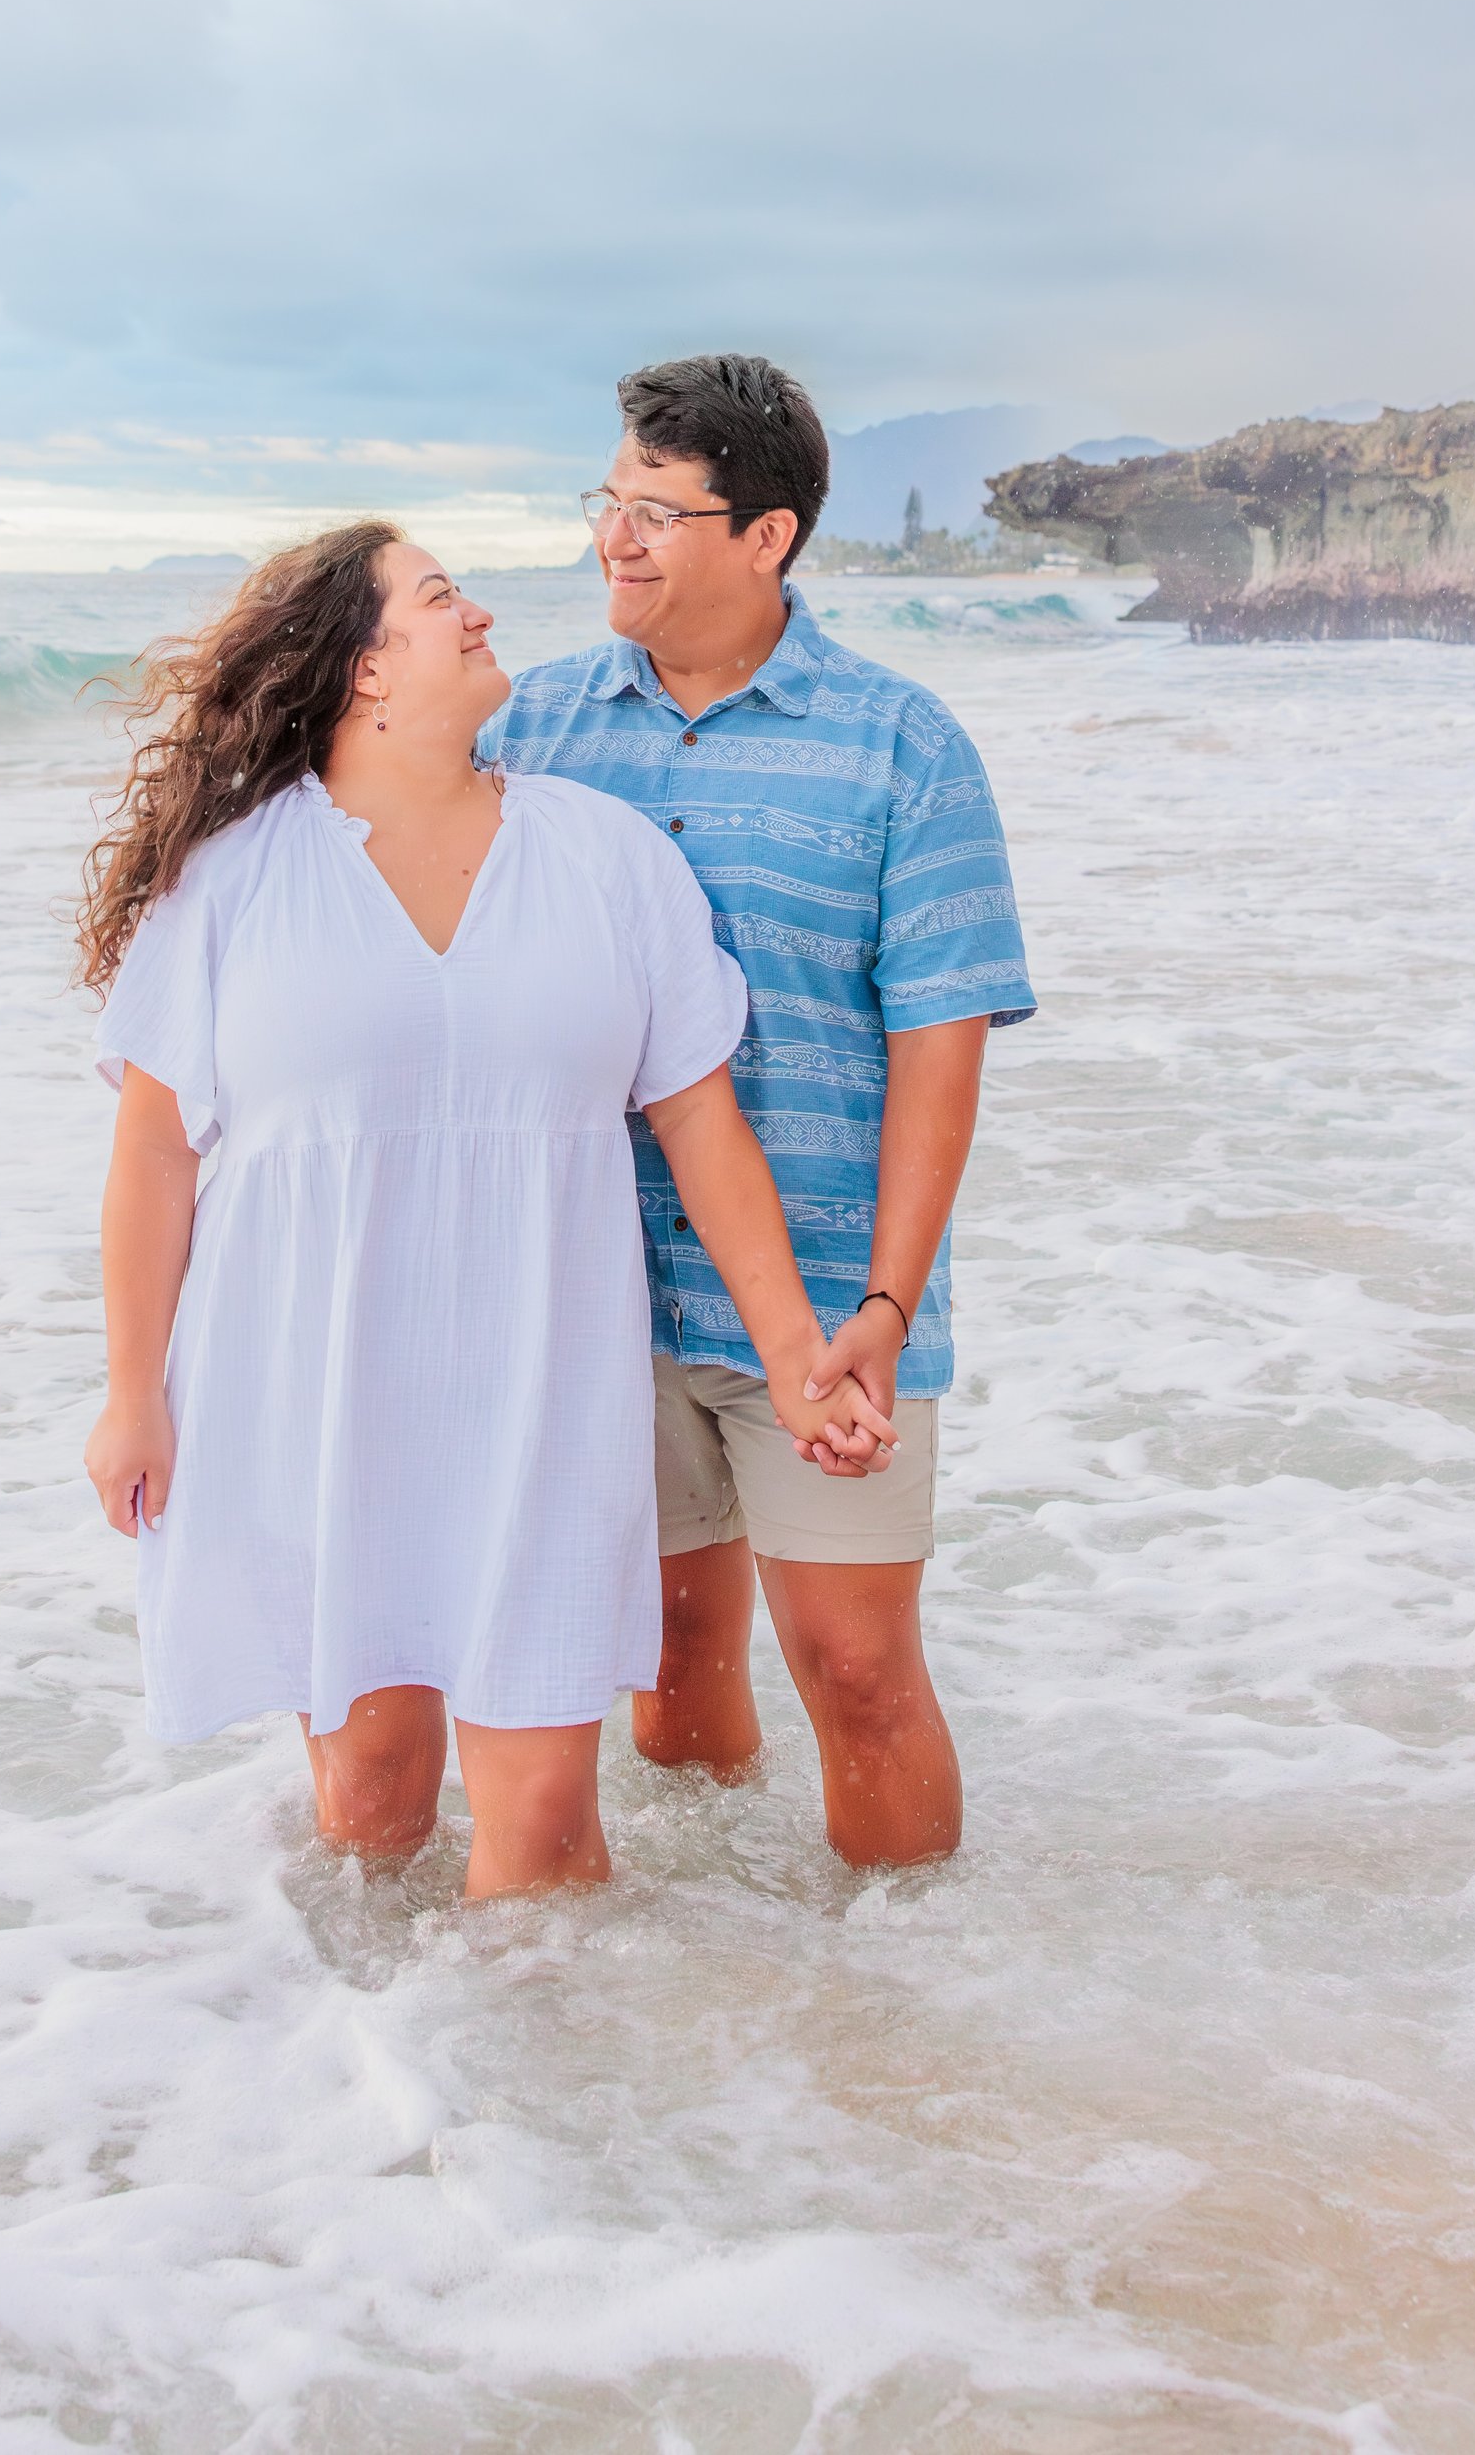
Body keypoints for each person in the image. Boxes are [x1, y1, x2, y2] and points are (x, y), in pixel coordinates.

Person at [74, 521, 895, 1900]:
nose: (480, 615)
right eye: (440, 597)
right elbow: (154, 1151)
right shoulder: (231, 879)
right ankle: (382, 2082)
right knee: (373, 1797)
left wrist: (797, 1358)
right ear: (363, 668)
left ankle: (549, 2102)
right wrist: (130, 1392)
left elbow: (700, 1124)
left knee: (549, 1827)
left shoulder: (607, 855)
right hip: (317, 1391)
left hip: (541, 1392)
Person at [480, 357, 1036, 1869]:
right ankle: (730, 2018)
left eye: (658, 513)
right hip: (601, 1292)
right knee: (666, 1676)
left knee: (857, 1672)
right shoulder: (527, 732)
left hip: (827, 1304)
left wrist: (885, 1298)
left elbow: (941, 1045)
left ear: (767, 536)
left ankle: (912, 2001)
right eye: (610, 503)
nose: (617, 540)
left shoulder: (904, 747)